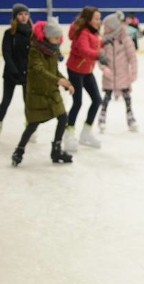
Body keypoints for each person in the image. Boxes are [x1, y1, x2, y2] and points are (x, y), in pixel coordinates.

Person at [11, 17, 74, 166]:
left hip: (51, 92)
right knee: (33, 124)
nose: (58, 40)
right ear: (46, 36)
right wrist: (58, 81)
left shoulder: (53, 50)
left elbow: (54, 70)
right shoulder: (35, 51)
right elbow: (39, 70)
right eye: (55, 37)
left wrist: (67, 83)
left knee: (63, 117)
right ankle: (19, 150)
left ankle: (56, 150)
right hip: (37, 92)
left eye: (60, 37)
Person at [63, 6, 107, 151]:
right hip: (75, 70)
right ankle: (68, 133)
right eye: (96, 18)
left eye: (99, 18)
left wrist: (105, 42)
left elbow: (95, 45)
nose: (99, 21)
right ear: (88, 19)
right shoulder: (82, 32)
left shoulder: (93, 32)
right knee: (77, 102)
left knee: (97, 100)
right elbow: (84, 50)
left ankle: (86, 133)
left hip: (87, 70)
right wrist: (98, 55)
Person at [97, 11, 138, 133]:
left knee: (126, 96)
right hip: (109, 75)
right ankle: (102, 117)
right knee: (107, 96)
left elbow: (132, 58)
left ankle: (130, 117)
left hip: (122, 74)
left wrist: (133, 72)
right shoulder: (103, 41)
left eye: (108, 27)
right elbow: (99, 57)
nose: (105, 29)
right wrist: (104, 69)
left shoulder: (125, 39)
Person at [0, 3, 32, 137]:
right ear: (15, 16)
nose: (24, 17)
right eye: (20, 14)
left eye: (26, 14)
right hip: (12, 73)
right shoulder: (9, 33)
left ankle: (29, 125)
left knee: (28, 102)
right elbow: (6, 53)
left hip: (28, 73)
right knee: (6, 101)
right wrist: (13, 69)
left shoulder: (33, 32)